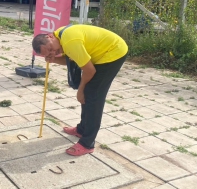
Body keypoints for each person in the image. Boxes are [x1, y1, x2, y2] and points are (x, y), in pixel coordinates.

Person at [32, 24, 128, 156]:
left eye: (50, 49)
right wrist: (54, 60)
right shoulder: (59, 37)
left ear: (49, 36)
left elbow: (89, 70)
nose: (53, 52)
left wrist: (80, 90)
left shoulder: (70, 41)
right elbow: (73, 59)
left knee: (93, 96)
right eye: (48, 54)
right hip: (102, 50)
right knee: (88, 94)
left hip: (113, 52)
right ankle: (82, 129)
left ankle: (87, 143)